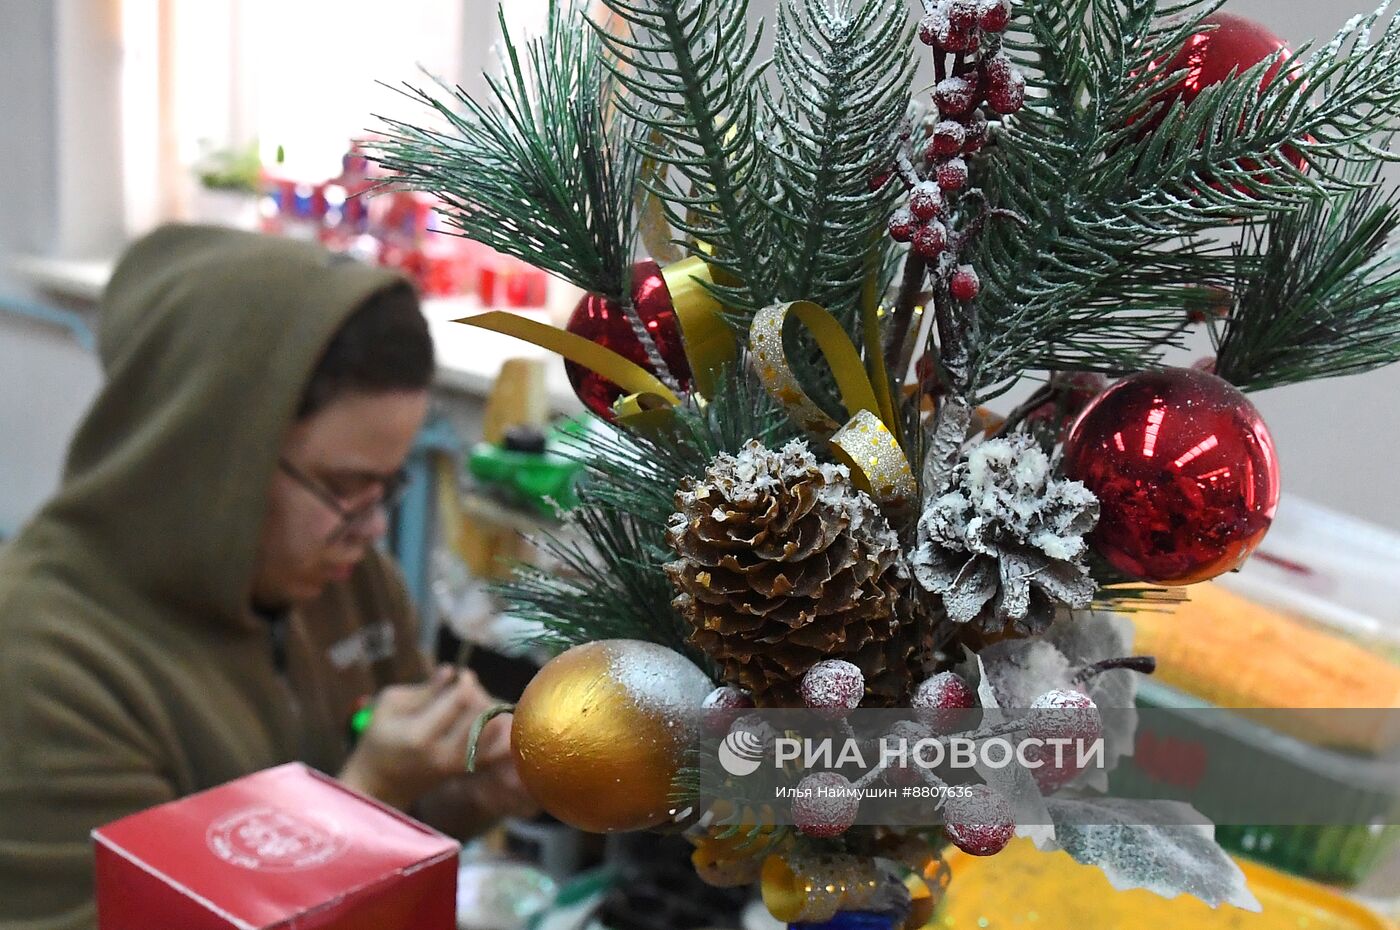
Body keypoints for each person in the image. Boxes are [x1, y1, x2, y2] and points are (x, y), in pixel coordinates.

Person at [0, 225, 536, 928]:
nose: (374, 529)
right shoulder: (45, 663)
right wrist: (355, 801)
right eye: (345, 487)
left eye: (386, 486)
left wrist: (469, 796)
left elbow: (400, 833)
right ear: (210, 457)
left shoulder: (349, 580)